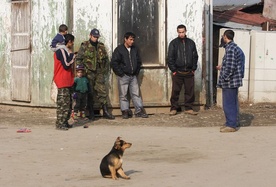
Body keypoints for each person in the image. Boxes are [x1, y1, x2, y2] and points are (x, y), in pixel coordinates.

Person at [75, 28, 115, 120]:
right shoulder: (85, 45)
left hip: (99, 72)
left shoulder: (101, 46)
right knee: (90, 92)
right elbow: (79, 59)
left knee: (102, 91)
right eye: (94, 37)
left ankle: (105, 111)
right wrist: (80, 72)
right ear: (90, 35)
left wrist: (104, 70)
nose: (96, 39)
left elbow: (105, 60)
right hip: (88, 73)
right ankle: (91, 112)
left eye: (97, 37)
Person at [111, 32, 148, 119]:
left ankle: (139, 110)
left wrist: (136, 71)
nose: (132, 41)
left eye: (133, 40)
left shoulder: (134, 49)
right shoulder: (119, 50)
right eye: (130, 39)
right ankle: (125, 111)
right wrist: (121, 73)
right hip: (123, 76)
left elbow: (138, 61)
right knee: (123, 95)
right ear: (125, 39)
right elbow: (114, 63)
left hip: (133, 76)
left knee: (136, 94)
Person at [217, 29, 245, 133]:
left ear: (225, 37)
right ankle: (233, 122)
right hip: (234, 80)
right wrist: (222, 67)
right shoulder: (234, 48)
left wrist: (224, 77)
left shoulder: (230, 49)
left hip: (230, 82)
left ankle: (231, 124)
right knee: (233, 102)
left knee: (228, 103)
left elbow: (230, 67)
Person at [168, 24, 199, 116]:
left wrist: (193, 68)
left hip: (189, 72)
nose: (181, 34)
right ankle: (174, 108)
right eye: (179, 32)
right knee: (175, 91)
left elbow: (195, 56)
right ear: (177, 32)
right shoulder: (173, 43)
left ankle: (188, 108)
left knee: (189, 91)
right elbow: (170, 58)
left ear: (186, 31)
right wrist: (173, 70)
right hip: (178, 72)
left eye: (183, 32)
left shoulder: (191, 43)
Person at [53, 33, 76, 130]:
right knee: (63, 104)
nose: (73, 44)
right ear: (69, 41)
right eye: (72, 42)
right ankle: (60, 123)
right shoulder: (61, 50)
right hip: (62, 80)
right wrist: (73, 56)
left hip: (67, 80)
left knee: (68, 103)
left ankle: (65, 122)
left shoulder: (65, 51)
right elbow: (66, 64)